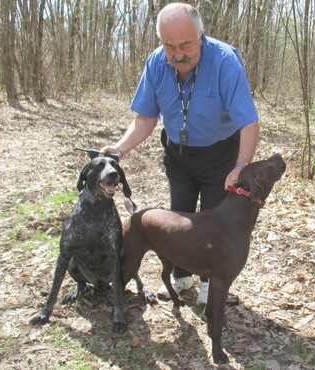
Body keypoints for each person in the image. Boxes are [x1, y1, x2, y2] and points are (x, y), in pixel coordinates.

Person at [100, 2, 259, 305]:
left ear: (201, 36)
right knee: (179, 217)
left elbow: (248, 122)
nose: (177, 53)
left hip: (221, 157)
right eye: (168, 45)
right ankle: (180, 278)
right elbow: (145, 119)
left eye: (185, 44)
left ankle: (208, 286)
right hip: (179, 156)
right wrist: (120, 149)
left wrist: (241, 165)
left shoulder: (225, 61)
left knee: (214, 224)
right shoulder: (156, 64)